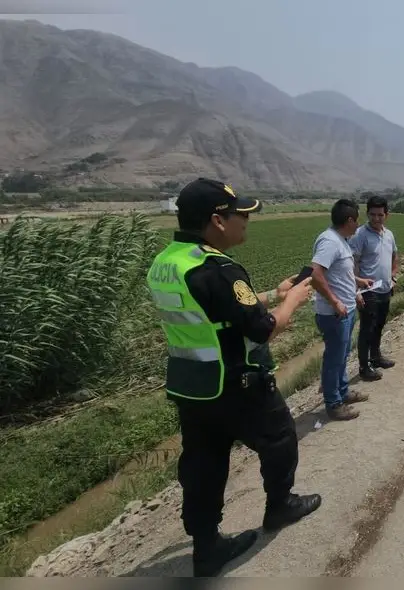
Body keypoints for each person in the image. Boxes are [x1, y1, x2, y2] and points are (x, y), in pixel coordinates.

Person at [146, 178, 322, 577]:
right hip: (238, 383)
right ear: (216, 221)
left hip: (193, 386)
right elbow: (260, 330)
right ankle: (280, 505)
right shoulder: (219, 267)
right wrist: (293, 300)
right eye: (240, 214)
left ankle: (206, 547)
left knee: (203, 464)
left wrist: (268, 296)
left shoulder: (168, 262)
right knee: (278, 438)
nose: (246, 221)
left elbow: (215, 311)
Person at [311, 199, 372, 421]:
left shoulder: (341, 240)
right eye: (357, 220)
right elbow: (316, 274)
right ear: (349, 220)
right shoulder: (329, 241)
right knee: (334, 359)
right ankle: (334, 404)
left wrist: (357, 285)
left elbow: (340, 273)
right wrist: (336, 301)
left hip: (345, 310)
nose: (358, 225)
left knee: (343, 354)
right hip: (334, 313)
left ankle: (343, 392)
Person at [350, 193, 399, 382]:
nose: (376, 219)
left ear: (387, 215)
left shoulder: (389, 235)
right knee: (366, 329)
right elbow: (353, 262)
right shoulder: (360, 235)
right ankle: (364, 367)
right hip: (367, 290)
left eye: (380, 215)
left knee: (379, 325)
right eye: (372, 215)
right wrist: (357, 288)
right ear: (367, 214)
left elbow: (395, 255)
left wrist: (393, 276)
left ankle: (376, 357)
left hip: (386, 288)